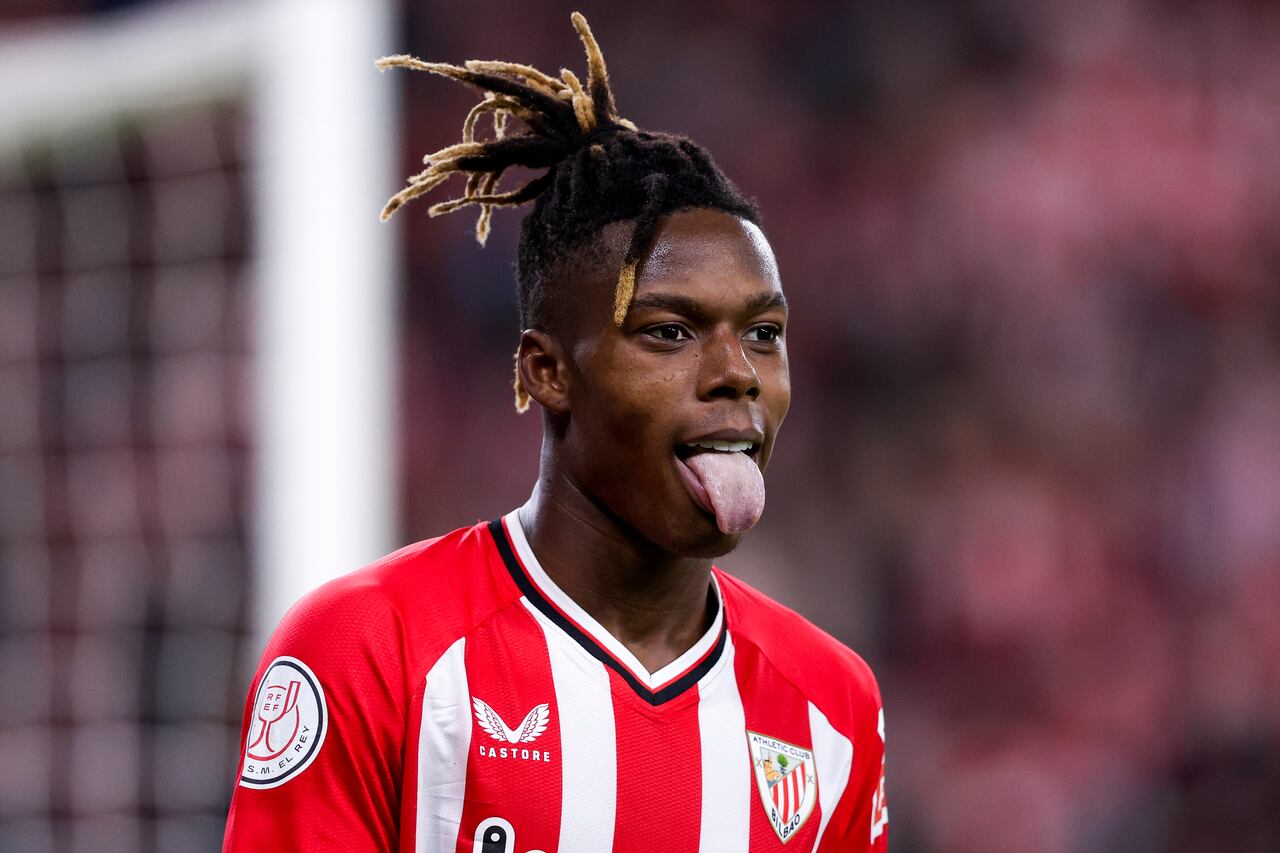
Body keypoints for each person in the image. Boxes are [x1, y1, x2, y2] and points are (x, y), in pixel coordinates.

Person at [223, 12, 887, 852]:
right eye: (670, 332)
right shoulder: (371, 648)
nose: (737, 373)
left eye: (763, 333)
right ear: (547, 371)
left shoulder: (831, 702)